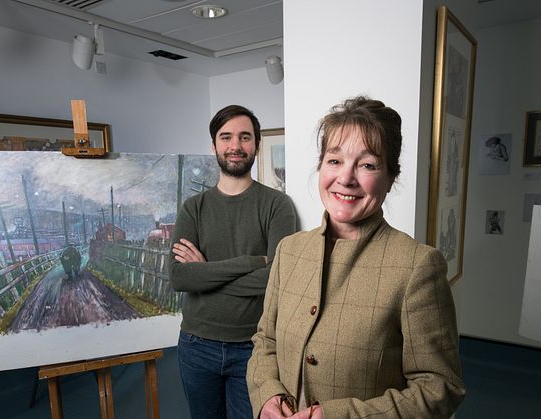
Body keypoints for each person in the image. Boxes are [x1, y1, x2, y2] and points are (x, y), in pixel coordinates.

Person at [247, 96, 465, 418]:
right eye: (334, 160)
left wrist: (337, 416)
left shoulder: (417, 266)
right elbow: (266, 341)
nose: (345, 178)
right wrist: (267, 394)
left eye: (367, 165)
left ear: (390, 178)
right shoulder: (290, 250)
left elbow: (439, 388)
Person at [169, 104, 298, 419]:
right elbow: (180, 278)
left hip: (254, 347)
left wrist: (205, 272)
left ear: (256, 144)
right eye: (226, 137)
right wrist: (252, 261)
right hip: (196, 344)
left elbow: (277, 279)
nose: (235, 146)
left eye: (244, 137)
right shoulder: (193, 208)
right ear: (214, 146)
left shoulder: (278, 205)